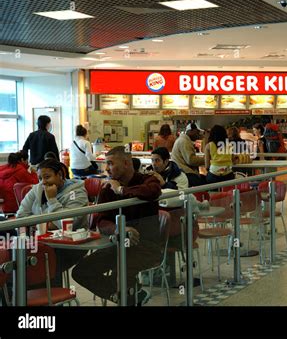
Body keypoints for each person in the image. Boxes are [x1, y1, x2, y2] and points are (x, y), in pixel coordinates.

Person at [71, 146, 164, 305]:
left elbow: (153, 191)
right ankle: (123, 296)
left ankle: (127, 297)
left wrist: (121, 190)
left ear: (127, 163)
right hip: (118, 246)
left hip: (147, 246)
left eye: (111, 163)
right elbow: (102, 220)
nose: (107, 168)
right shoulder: (107, 189)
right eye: (106, 164)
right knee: (81, 271)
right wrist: (119, 229)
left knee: (121, 272)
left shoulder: (147, 180)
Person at [15, 158, 88, 285]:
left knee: (40, 266)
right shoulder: (37, 189)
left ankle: (51, 299)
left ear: (60, 175)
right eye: (39, 178)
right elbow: (21, 217)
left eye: (47, 177)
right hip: (40, 242)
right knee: (18, 264)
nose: (43, 182)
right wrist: (47, 224)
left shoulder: (77, 193)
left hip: (70, 246)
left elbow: (67, 225)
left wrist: (52, 200)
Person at [171, 123, 206, 187]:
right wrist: (206, 159)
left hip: (182, 171)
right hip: (186, 173)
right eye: (197, 132)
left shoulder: (183, 139)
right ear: (191, 131)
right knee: (204, 185)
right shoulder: (184, 141)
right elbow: (191, 160)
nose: (198, 135)